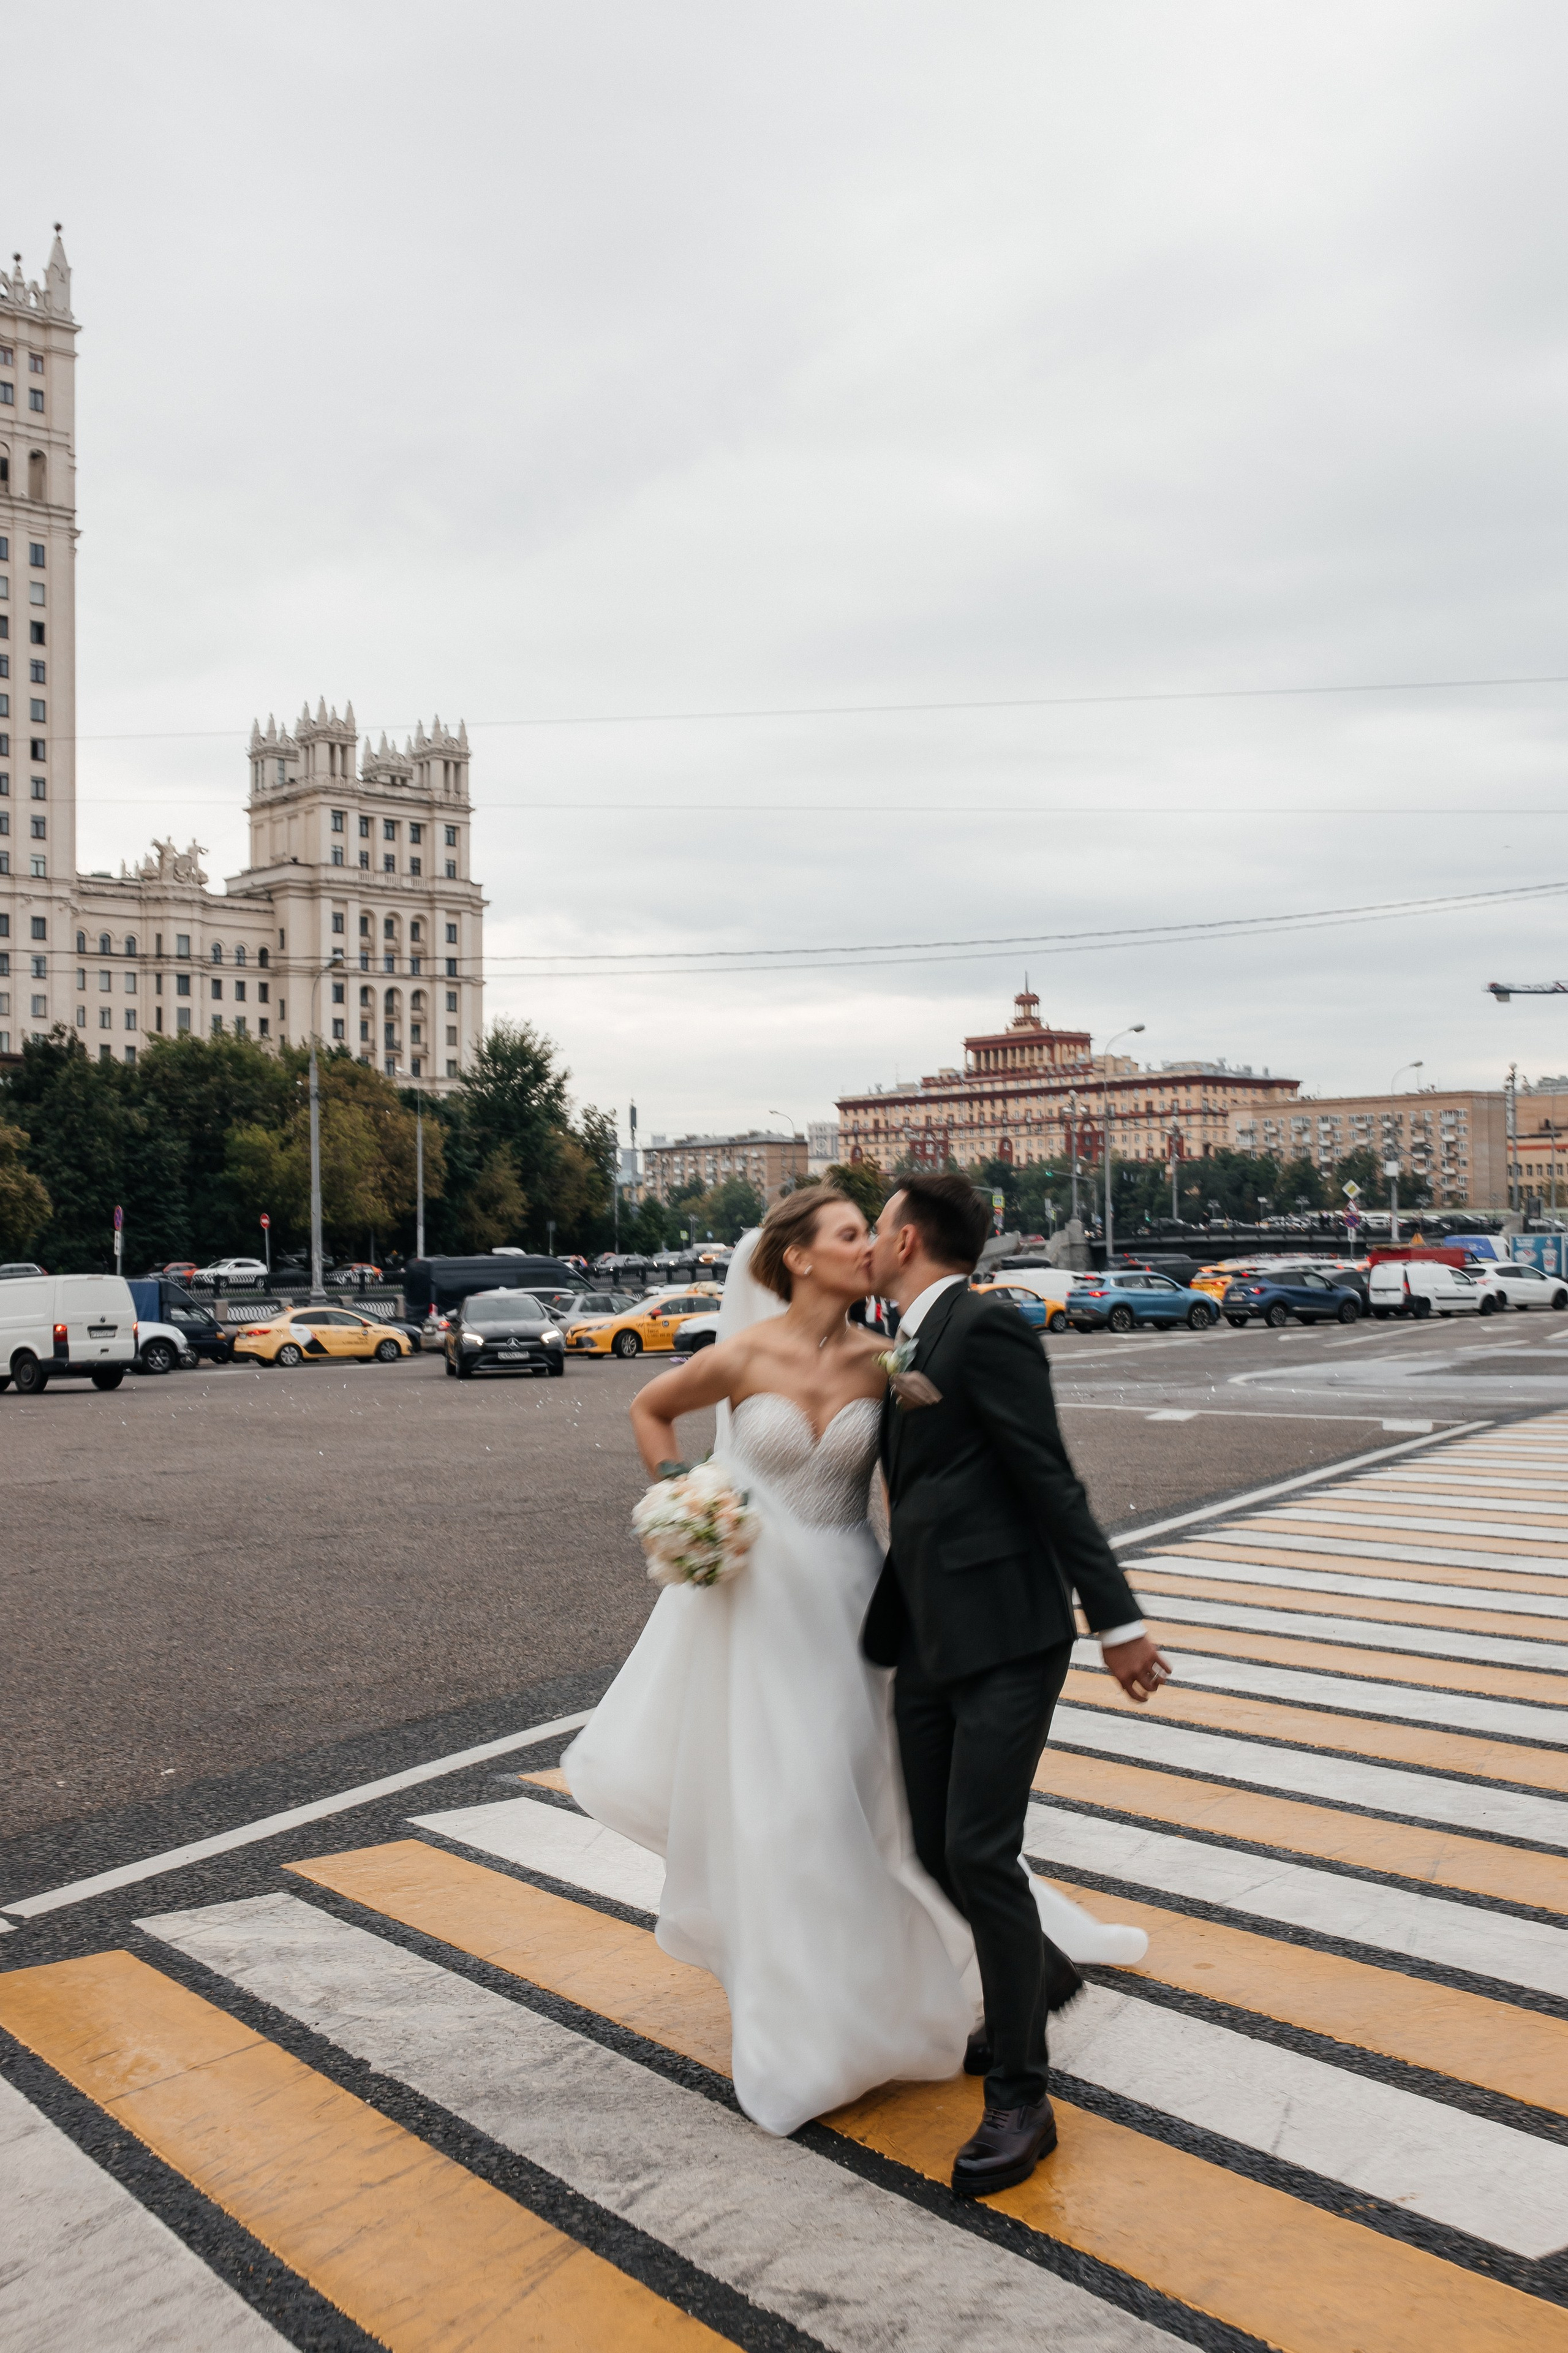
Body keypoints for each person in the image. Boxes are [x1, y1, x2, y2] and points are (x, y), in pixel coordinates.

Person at [565, 1184, 1154, 2147]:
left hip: (860, 1603)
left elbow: (962, 1475)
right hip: (758, 1606)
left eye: (872, 1229)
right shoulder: (749, 1353)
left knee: (885, 1814)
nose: (866, 1244)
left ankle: (1001, 2006)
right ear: (797, 1256)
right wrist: (686, 1502)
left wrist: (1092, 1605)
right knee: (786, 1815)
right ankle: (810, 2023)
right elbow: (651, 1410)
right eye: (849, 1233)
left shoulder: (895, 1357)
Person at [864, 1172, 1170, 2198]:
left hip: (1009, 1634)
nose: (866, 1240)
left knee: (982, 1850)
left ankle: (1021, 2099)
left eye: (874, 1226)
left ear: (907, 1238)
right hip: (927, 1636)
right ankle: (1039, 1973)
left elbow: (1049, 1475)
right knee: (936, 1847)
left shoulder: (984, 1328)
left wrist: (1117, 1621)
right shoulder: (910, 1333)